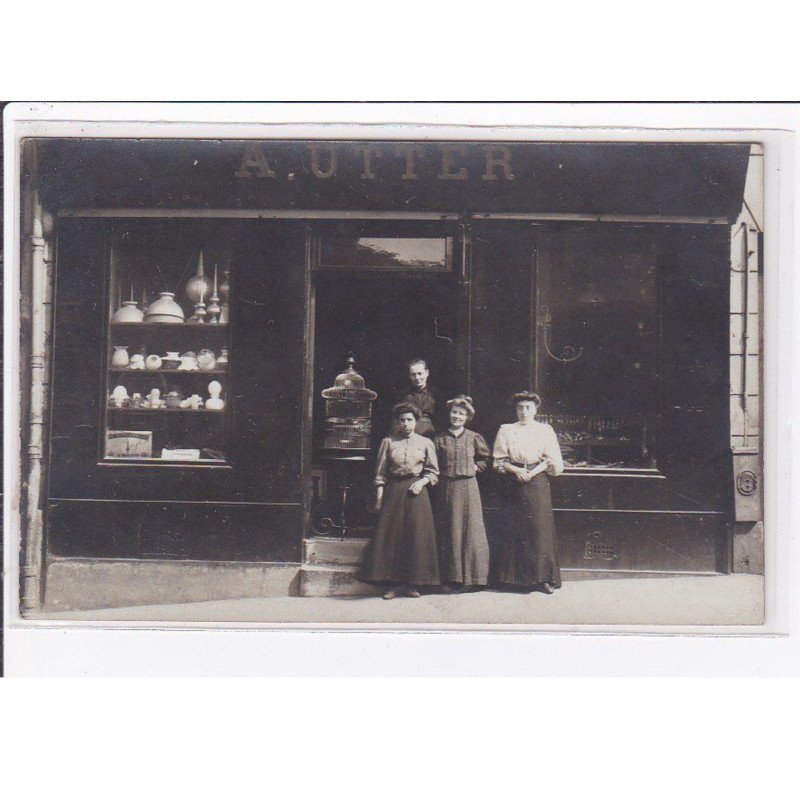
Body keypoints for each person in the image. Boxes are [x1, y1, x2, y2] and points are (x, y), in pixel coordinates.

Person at [363, 402, 441, 599]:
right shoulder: (388, 442)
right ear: (397, 422)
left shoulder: (425, 443)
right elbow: (380, 473)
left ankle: (412, 584)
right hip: (393, 491)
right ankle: (391, 585)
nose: (406, 424)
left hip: (416, 491)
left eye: (410, 420)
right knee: (392, 538)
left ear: (416, 422)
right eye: (402, 420)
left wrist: (421, 482)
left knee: (415, 537)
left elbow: (433, 472)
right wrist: (380, 497)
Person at [492, 391, 565, 594]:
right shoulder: (506, 430)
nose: (524, 412)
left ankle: (542, 579)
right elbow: (499, 460)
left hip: (537, 481)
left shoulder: (545, 430)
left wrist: (531, 473)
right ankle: (512, 580)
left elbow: (552, 460)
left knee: (539, 529)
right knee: (514, 528)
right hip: (513, 481)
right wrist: (517, 471)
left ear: (536, 409)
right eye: (520, 408)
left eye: (528, 408)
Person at [433, 395, 491, 591]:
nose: (457, 416)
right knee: (450, 530)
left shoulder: (474, 438)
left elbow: (485, 459)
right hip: (447, 488)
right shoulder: (439, 438)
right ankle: (451, 579)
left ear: (467, 417)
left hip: (468, 488)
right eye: (454, 412)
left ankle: (473, 579)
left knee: (471, 531)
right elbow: (432, 463)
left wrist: (476, 467)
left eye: (461, 414)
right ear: (449, 414)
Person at [396, 358, 444, 438]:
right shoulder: (403, 395)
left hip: (429, 436)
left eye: (419, 373)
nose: (417, 378)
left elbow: (442, 421)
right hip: (406, 437)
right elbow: (396, 420)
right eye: (413, 374)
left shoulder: (436, 395)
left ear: (427, 373)